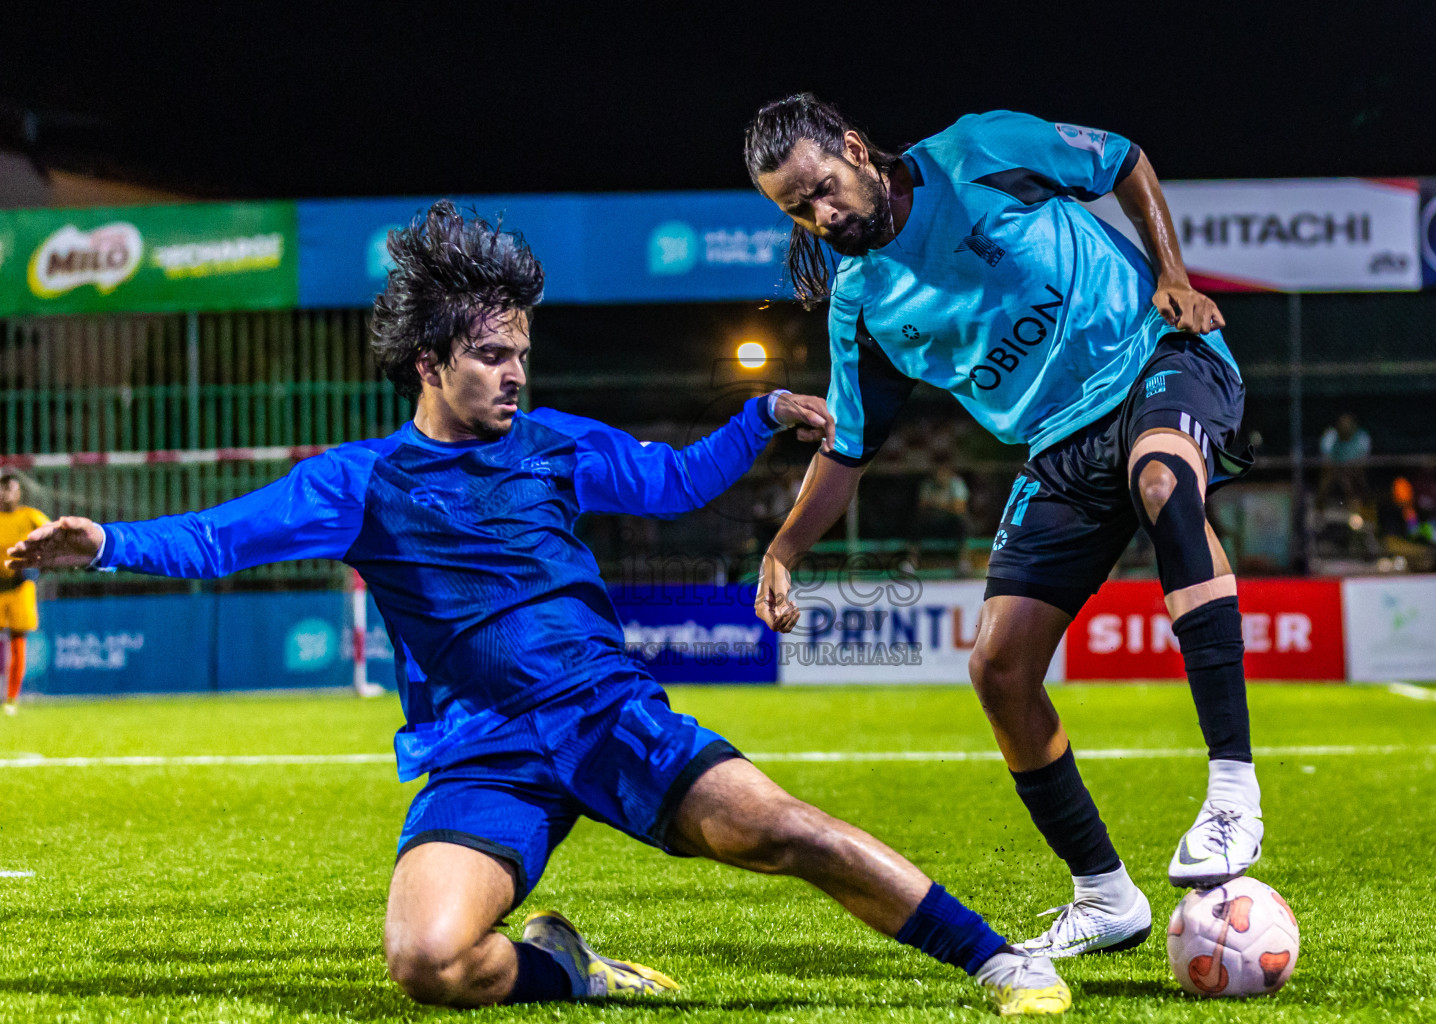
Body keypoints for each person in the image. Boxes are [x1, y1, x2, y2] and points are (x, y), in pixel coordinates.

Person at [7, 201, 1070, 1016]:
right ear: (430, 364)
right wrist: (101, 540)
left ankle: (996, 956)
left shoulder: (555, 441)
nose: (518, 373)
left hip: (608, 715)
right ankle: (565, 968)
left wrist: (759, 418)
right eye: (492, 356)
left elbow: (673, 484)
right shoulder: (360, 479)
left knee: (787, 831)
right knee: (429, 961)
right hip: (483, 751)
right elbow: (217, 539)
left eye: (524, 353)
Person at [745, 94, 1261, 958]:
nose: (821, 216)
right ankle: (1104, 898)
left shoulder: (979, 150)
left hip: (1154, 356)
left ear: (855, 148)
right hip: (1057, 446)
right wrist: (783, 550)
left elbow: (1125, 157)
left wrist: (1172, 272)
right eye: (798, 209)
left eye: (824, 189)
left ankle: (1233, 793)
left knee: (1165, 480)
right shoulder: (861, 303)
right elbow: (849, 448)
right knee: (998, 667)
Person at [0, 473, 49, 714]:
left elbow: (53, 534)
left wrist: (40, 562)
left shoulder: (30, 517)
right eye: (1, 488)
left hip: (20, 586)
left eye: (9, 488)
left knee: (18, 643)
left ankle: (11, 699)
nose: (4, 493)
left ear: (19, 492)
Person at [909, 450, 972, 575]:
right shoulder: (928, 484)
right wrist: (947, 505)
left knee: (962, 521)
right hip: (932, 522)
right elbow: (922, 506)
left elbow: (959, 508)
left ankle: (963, 562)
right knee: (916, 521)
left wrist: (936, 503)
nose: (941, 472)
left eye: (944, 469)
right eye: (938, 469)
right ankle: (910, 562)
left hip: (950, 524)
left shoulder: (956, 483)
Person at [1318, 412, 1371, 510]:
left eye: (1348, 424)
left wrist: (1348, 470)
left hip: (1353, 469)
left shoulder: (1362, 437)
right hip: (1334, 468)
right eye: (1342, 424)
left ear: (1354, 426)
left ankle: (1363, 505)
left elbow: (1362, 462)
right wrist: (1340, 472)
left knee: (1358, 478)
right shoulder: (1330, 436)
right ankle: (1320, 507)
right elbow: (1327, 461)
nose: (1345, 427)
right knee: (1326, 477)